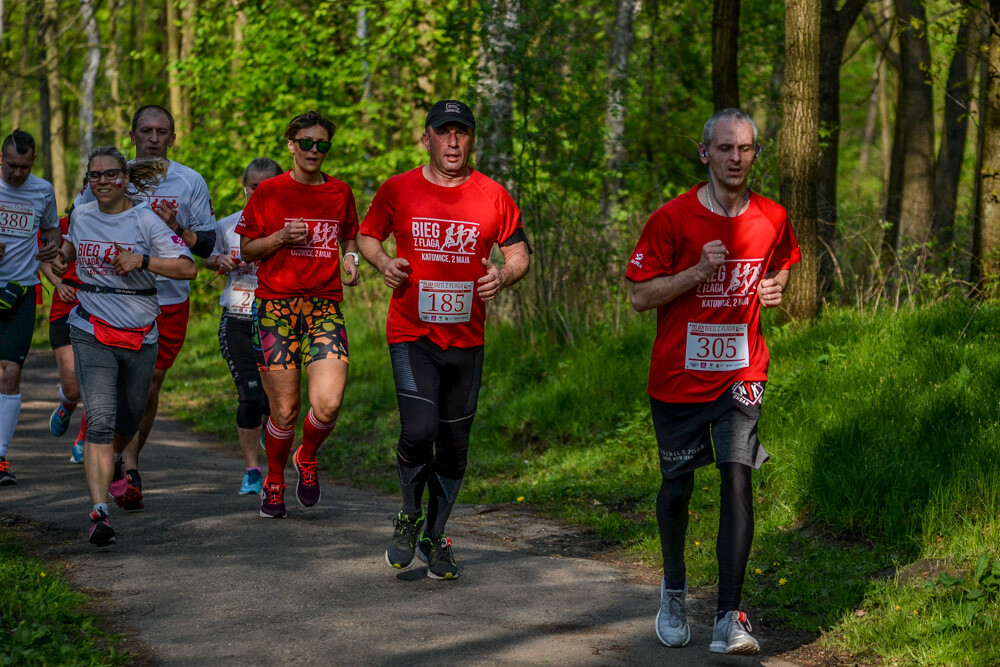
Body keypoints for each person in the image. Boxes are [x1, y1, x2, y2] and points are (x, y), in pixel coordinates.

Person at [626, 108, 801, 655]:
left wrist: (776, 287)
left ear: (755, 155)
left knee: (737, 476)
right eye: (725, 148)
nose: (735, 158)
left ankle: (729, 616)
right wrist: (698, 273)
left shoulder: (772, 215)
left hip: (742, 372)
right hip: (679, 376)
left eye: (745, 149)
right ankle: (674, 588)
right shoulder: (671, 219)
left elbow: (784, 261)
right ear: (705, 154)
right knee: (677, 488)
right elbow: (639, 296)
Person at [359, 99, 531, 580]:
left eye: (462, 132)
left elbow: (519, 253)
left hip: (467, 340)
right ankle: (408, 515)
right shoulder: (399, 189)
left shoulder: (493, 195)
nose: (453, 141)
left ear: (472, 139)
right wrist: (383, 263)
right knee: (419, 431)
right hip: (412, 333)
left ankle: (437, 535)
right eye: (444, 131)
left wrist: (504, 274)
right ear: (427, 138)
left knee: (455, 444)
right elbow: (367, 236)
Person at [74, 105, 216, 511]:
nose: (153, 138)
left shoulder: (190, 181)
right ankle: (121, 461)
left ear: (173, 137)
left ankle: (125, 456)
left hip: (169, 298)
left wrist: (175, 228)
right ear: (133, 135)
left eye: (162, 131)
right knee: (108, 390)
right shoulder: (113, 175)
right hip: (109, 299)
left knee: (149, 385)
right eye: (146, 131)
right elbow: (79, 221)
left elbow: (206, 246)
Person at [53, 147, 196, 545]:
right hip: (90, 328)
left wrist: (142, 260)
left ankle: (116, 460)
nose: (103, 182)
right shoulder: (81, 215)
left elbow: (188, 268)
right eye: (95, 175)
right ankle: (99, 512)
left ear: (125, 178)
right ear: (88, 180)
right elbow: (68, 251)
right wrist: (60, 262)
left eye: (111, 174)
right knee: (100, 417)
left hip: (139, 333)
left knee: (130, 419)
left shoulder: (145, 219)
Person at [236, 110, 360, 519]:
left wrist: (352, 259)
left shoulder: (340, 192)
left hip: (324, 305)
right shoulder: (269, 192)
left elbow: (349, 236)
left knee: (328, 403)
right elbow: (247, 250)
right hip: (275, 308)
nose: (314, 150)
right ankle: (273, 480)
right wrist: (278, 238)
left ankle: (306, 457)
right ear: (291, 145)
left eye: (321, 144)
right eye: (306, 142)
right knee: (285, 410)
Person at [204, 157, 282, 495]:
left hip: (278, 321)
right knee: (250, 395)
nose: (260, 194)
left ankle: (271, 439)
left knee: (275, 401)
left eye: (268, 188)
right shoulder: (226, 226)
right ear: (244, 187)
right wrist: (218, 261)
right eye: (254, 188)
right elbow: (204, 257)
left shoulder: (290, 229)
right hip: (236, 319)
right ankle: (252, 469)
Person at [0, 130, 61, 485]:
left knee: (9, 373)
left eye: (24, 167)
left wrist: (51, 245)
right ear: (1, 160)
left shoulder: (43, 190)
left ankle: (1, 457)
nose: (18, 174)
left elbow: (52, 231)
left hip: (21, 291)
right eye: (11, 166)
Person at [39, 212, 89, 463]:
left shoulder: (124, 220)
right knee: (73, 386)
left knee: (96, 381)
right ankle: (67, 404)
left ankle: (84, 439)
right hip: (66, 307)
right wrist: (58, 283)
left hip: (102, 312)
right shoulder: (61, 225)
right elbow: (43, 259)